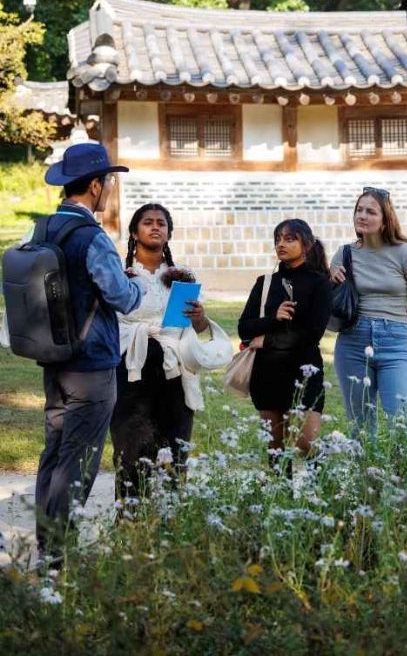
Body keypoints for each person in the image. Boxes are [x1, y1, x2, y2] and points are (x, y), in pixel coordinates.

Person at [35, 143, 145, 562]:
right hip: (92, 366)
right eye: (109, 183)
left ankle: (47, 549)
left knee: (54, 455)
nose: (109, 191)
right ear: (96, 185)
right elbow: (121, 297)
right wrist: (132, 281)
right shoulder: (92, 236)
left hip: (55, 361)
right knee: (78, 464)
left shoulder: (44, 229)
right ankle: (59, 560)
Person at [110, 204, 212, 498]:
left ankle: (171, 525)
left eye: (161, 224)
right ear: (134, 231)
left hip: (174, 368)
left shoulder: (184, 276)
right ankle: (130, 524)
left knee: (175, 449)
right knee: (131, 451)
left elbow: (198, 327)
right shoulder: (118, 274)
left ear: (168, 234)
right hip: (131, 366)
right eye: (147, 222)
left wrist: (199, 317)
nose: (155, 227)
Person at [331, 188, 407, 432]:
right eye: (359, 210)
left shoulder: (404, 253)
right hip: (352, 343)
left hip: (395, 343)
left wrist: (394, 323)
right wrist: (330, 279)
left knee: (403, 424)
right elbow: (330, 301)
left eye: (371, 211)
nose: (362, 216)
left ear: (385, 220)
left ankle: (400, 472)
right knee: (361, 427)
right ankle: (364, 471)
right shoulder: (344, 254)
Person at [237, 219, 332, 468]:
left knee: (305, 444)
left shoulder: (319, 283)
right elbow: (244, 328)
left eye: (290, 239)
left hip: (304, 371)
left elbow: (312, 334)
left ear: (307, 244)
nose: (281, 244)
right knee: (275, 447)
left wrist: (267, 340)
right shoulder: (265, 283)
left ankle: (320, 495)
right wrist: (273, 318)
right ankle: (281, 500)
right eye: (278, 239)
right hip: (267, 373)